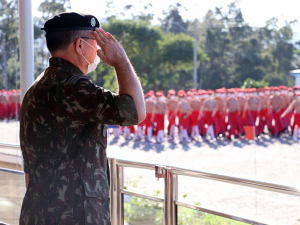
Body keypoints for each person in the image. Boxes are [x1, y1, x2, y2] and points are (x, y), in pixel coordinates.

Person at [19, 12, 145, 225]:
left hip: (38, 211)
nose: (98, 50)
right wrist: (121, 61)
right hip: (75, 215)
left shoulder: (37, 87)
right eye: (95, 43)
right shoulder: (72, 86)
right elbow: (135, 111)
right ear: (79, 45)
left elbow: (30, 170)